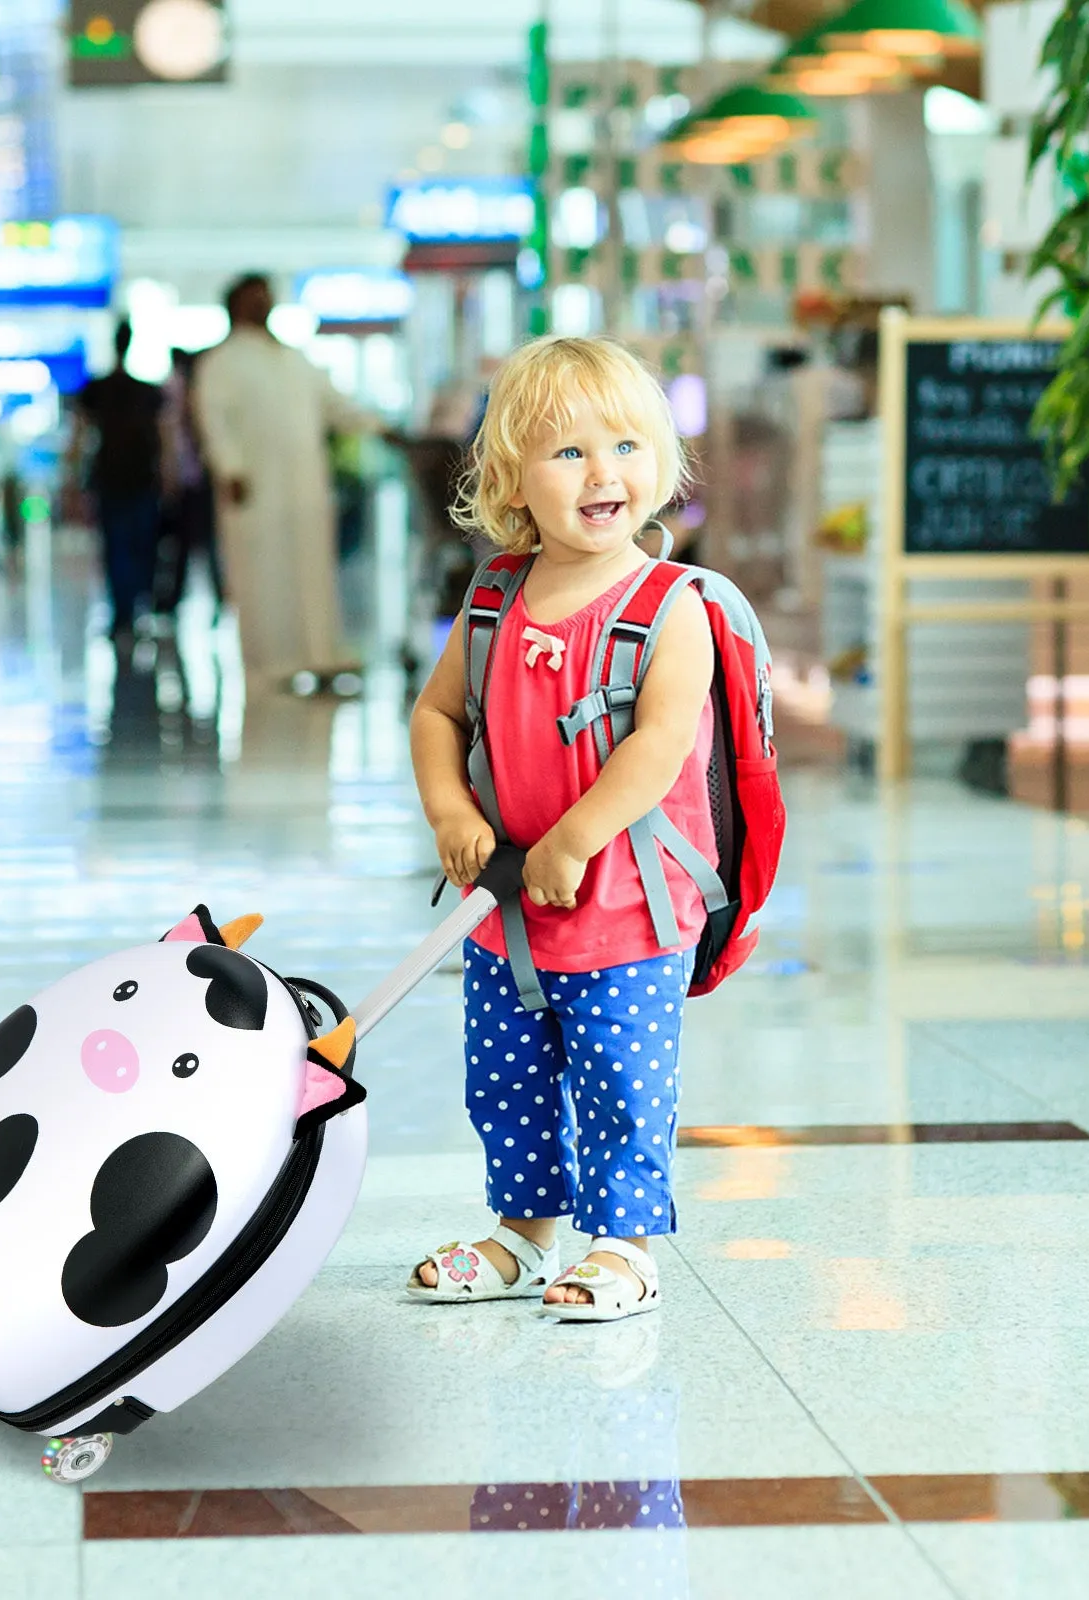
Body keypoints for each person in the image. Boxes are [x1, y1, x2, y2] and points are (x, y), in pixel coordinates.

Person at [406, 335, 714, 1322]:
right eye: (569, 452)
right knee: (507, 1079)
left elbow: (659, 744)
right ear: (510, 480)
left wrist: (579, 835)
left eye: (626, 445)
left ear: (661, 462)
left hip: (625, 903)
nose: (603, 472)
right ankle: (523, 1235)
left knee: (622, 1080)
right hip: (508, 906)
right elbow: (436, 715)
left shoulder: (669, 606)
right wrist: (452, 811)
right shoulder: (495, 596)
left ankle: (624, 1245)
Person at [192, 272, 382, 688]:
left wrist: (379, 427)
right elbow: (213, 421)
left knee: (312, 573)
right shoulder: (221, 362)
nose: (264, 303)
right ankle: (268, 666)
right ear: (235, 304)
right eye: (254, 297)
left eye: (267, 296)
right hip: (257, 491)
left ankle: (318, 655)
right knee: (261, 577)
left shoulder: (293, 358)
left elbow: (336, 404)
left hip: (305, 488)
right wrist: (230, 469)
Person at [77, 319, 163, 640]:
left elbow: (80, 435)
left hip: (114, 478)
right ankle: (131, 609)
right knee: (137, 546)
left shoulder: (99, 390)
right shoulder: (146, 391)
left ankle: (125, 611)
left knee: (119, 547)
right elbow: (163, 437)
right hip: (137, 479)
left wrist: (74, 476)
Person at [152, 346, 219, 617]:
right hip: (188, 478)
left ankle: (211, 595)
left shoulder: (190, 389)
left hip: (193, 477)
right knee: (188, 543)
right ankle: (184, 595)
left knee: (189, 544)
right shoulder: (180, 390)